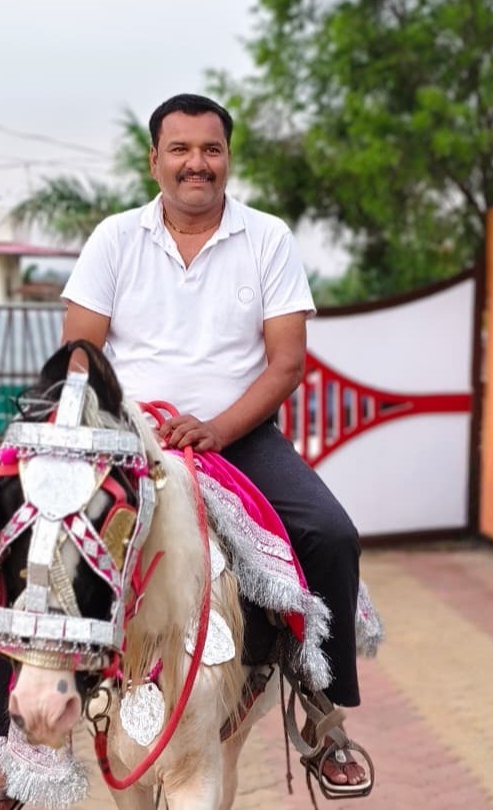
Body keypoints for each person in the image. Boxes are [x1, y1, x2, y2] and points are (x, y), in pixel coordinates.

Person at [59, 93, 370, 793]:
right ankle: (18, 741)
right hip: (131, 442)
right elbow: (81, 354)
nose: (196, 163)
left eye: (211, 150)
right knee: (31, 538)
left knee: (331, 535)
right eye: (180, 149)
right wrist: (119, 428)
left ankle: (325, 710)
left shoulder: (267, 238)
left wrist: (218, 429)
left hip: (239, 440)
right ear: (155, 161)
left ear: (227, 158)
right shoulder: (115, 238)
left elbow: (286, 363)